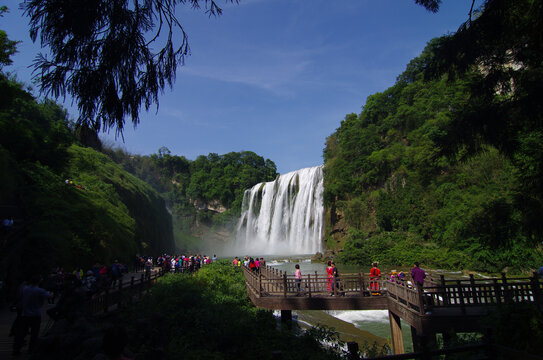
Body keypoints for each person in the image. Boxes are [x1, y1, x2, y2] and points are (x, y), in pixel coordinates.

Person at [13, 275, 52, 356]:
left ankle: (16, 349)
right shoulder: (40, 290)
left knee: (22, 333)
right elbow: (49, 296)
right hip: (35, 314)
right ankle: (31, 350)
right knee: (34, 334)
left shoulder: (25, 289)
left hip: (25, 314)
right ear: (39, 282)